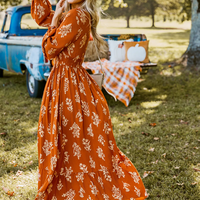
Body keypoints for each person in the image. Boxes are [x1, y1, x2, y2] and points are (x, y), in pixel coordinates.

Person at [31, 0, 148, 199]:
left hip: (68, 83)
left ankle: (77, 188)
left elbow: (50, 50)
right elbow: (41, 16)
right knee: (69, 137)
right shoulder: (69, 14)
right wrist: (56, 14)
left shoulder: (77, 16)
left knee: (70, 137)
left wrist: (55, 20)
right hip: (64, 81)